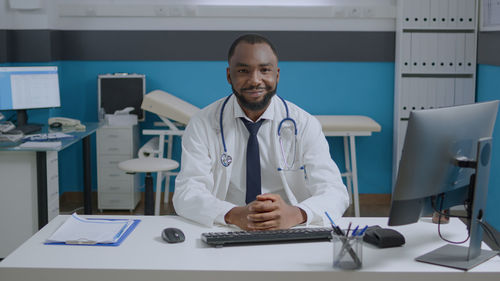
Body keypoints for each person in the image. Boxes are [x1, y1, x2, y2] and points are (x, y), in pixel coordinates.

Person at [173, 34, 349, 231]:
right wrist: (232, 214)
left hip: (290, 228)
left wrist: (296, 213)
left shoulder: (304, 124)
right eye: (243, 71)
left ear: (277, 75)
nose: (255, 80)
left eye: (265, 70)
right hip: (227, 227)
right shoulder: (202, 123)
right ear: (229, 75)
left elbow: (335, 192)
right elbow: (186, 192)